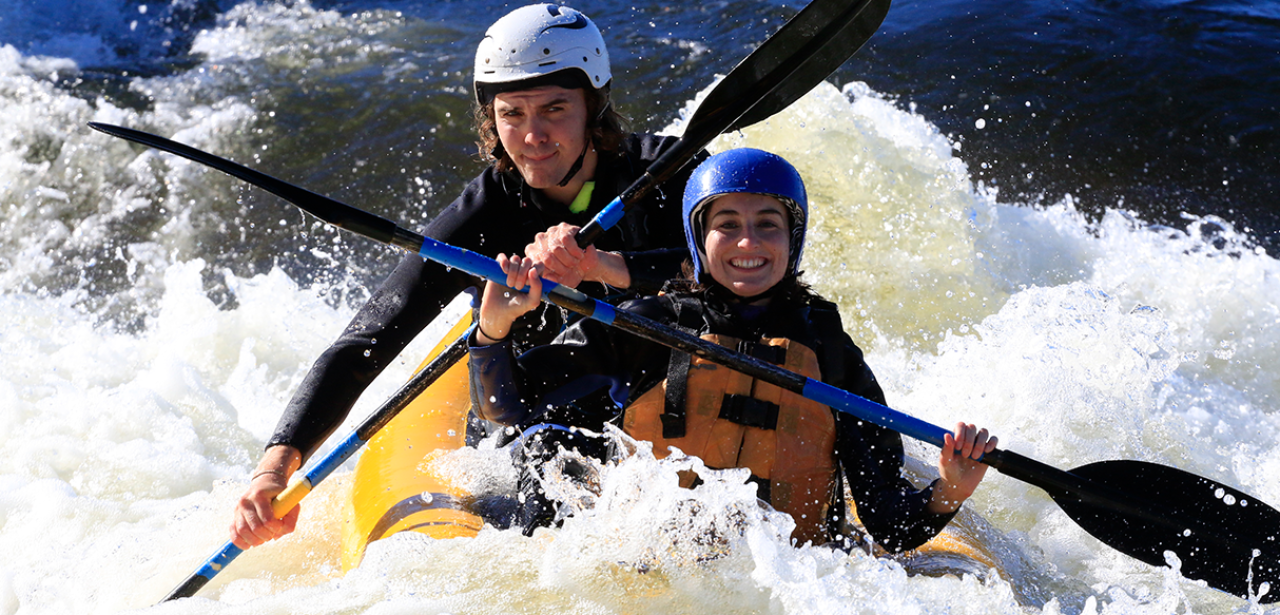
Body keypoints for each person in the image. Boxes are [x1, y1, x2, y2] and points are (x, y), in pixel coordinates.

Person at [230, 4, 705, 550]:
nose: (533, 136)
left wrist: (604, 267)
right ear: (492, 119)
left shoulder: (671, 175)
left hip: (667, 385)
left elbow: (752, 274)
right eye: (512, 115)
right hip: (540, 413)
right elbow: (371, 336)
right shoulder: (485, 214)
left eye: (554, 109)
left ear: (593, 109)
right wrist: (274, 468)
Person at [468, 148, 998, 549]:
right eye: (728, 225)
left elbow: (889, 522)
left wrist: (951, 488)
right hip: (650, 572)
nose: (749, 243)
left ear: (794, 240)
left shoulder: (830, 352)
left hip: (790, 580)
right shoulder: (648, 327)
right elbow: (506, 411)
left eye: (768, 225)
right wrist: (494, 330)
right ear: (698, 239)